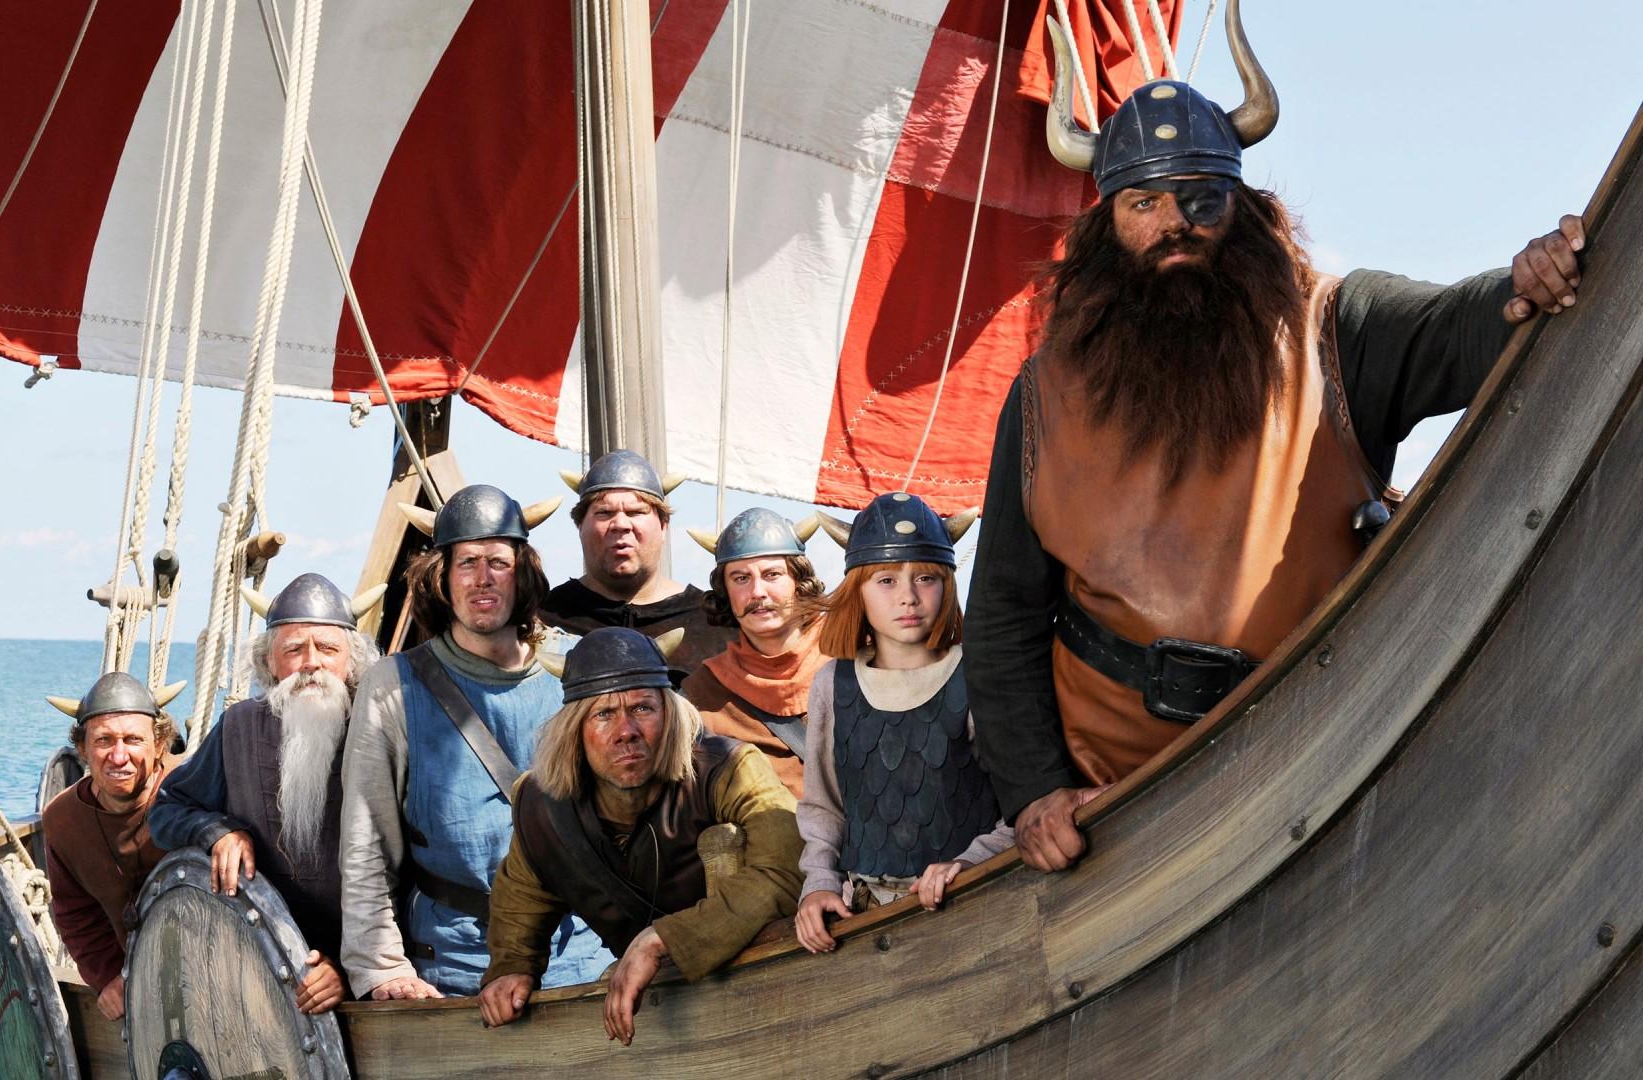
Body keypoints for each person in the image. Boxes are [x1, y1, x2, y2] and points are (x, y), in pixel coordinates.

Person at [967, 5, 1588, 873]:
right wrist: (1036, 791)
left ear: (1246, 207)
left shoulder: (1337, 327)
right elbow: (1003, 610)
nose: (1174, 222)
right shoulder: (1041, 397)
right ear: (1106, 225)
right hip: (1113, 807)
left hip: (1317, 765)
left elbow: (1459, 326)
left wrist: (1528, 281)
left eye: (1201, 198)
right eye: (1143, 203)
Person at [341, 484, 608, 1000]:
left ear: (523, 572)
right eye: (467, 562)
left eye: (498, 563)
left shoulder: (579, 666)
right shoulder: (393, 685)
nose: (482, 578)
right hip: (454, 965)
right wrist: (383, 969)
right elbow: (366, 841)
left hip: (580, 956)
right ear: (442, 577)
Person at [479, 627, 803, 1045]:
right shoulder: (541, 807)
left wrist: (663, 939)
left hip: (765, 993)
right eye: (603, 714)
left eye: (643, 708)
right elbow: (522, 895)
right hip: (647, 1020)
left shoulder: (727, 770)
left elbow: (784, 871)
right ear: (575, 729)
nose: (626, 730)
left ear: (669, 714)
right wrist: (511, 969)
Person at [148, 572, 384, 1014]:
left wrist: (355, 968)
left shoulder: (383, 729)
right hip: (258, 959)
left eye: (327, 648)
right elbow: (166, 810)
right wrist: (217, 831)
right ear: (270, 663)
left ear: (351, 661)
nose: (311, 662)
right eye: (294, 649)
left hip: (364, 963)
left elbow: (414, 868)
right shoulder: (238, 727)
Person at [793, 492, 1013, 955]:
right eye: (887, 580)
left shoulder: (978, 675)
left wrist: (968, 863)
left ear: (947, 583)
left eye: (925, 578)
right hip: (863, 921)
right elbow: (824, 808)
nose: (908, 596)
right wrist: (818, 884)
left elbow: (1021, 805)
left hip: (973, 910)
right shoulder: (832, 683)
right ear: (858, 588)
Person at [39, 671, 183, 1021]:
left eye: (133, 739)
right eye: (104, 741)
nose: (119, 756)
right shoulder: (63, 819)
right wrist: (108, 978)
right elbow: (77, 914)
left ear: (159, 745)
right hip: (143, 988)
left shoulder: (192, 788)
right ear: (83, 749)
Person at [540, 449, 736, 673]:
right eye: (604, 513)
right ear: (580, 526)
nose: (621, 524)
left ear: (663, 526)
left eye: (635, 512)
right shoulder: (542, 620)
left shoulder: (717, 623)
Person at [679, 507, 827, 797]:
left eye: (772, 575)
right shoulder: (702, 693)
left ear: (799, 583)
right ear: (725, 592)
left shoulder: (856, 658)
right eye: (741, 578)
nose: (757, 592)